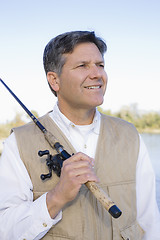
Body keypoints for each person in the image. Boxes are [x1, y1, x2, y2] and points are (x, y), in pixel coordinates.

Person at [0, 31, 160, 240]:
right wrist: (56, 197)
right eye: (82, 65)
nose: (97, 74)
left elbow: (150, 221)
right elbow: (5, 230)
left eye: (100, 65)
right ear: (54, 80)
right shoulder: (18, 142)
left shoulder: (129, 134)